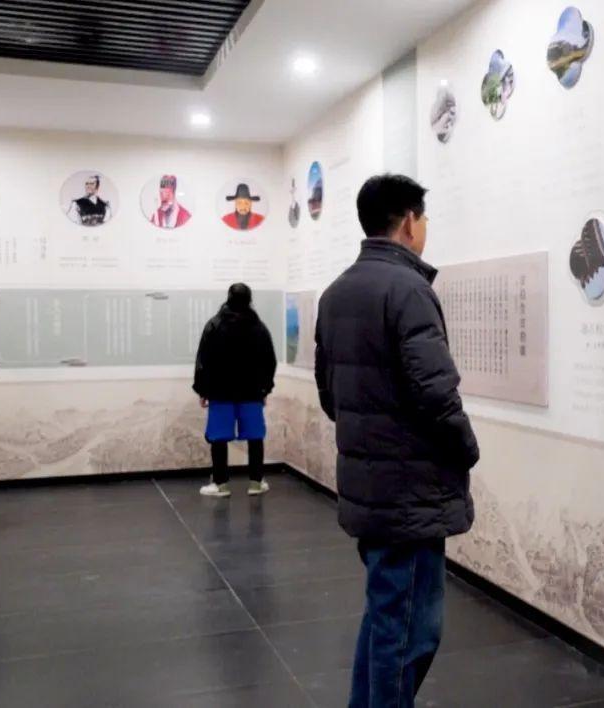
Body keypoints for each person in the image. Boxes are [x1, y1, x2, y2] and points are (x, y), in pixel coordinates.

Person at [315, 174, 479, 707]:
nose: (425, 227)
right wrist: (467, 448)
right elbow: (436, 392)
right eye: (424, 218)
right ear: (409, 222)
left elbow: (330, 395)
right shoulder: (408, 289)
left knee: (386, 619)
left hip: (370, 485)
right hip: (410, 491)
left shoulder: (336, 292)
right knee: (409, 633)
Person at [193, 283, 277, 497]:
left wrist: (203, 391)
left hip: (220, 393)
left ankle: (220, 484)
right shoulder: (258, 327)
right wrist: (265, 390)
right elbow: (269, 361)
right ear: (249, 299)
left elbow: (203, 361)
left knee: (219, 437)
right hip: (251, 393)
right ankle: (256, 482)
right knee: (255, 436)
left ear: (228, 298)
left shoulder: (214, 325)